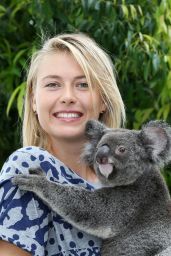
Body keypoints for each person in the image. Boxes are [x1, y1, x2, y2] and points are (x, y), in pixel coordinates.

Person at [0, 33, 125, 256]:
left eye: (83, 84)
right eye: (53, 84)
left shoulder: (130, 187)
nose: (68, 96)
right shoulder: (29, 168)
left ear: (103, 100)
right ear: (34, 100)